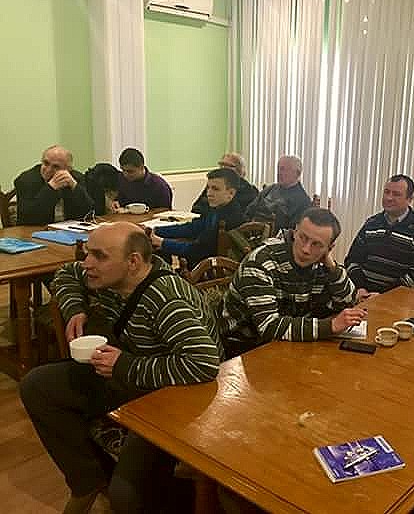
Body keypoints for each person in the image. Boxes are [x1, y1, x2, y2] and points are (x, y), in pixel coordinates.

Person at [19, 222, 222, 514]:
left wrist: (125, 365)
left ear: (133, 262)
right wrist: (76, 308)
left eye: (99, 256)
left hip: (175, 394)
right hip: (131, 374)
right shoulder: (110, 277)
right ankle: (89, 480)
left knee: (126, 497)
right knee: (37, 385)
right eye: (88, 253)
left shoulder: (167, 298)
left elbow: (203, 363)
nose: (87, 263)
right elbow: (66, 274)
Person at [221, 207, 364, 347]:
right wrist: (330, 326)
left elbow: (348, 302)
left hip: (289, 343)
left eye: (316, 244)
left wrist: (333, 268)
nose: (305, 249)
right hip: (244, 346)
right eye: (303, 237)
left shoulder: (322, 263)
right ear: (295, 231)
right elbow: (268, 327)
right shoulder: (260, 262)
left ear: (329, 248)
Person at [345, 174, 414, 298]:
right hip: (362, 294)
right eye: (386, 192)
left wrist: (383, 296)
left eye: (396, 194)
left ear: (410, 199)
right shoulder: (371, 223)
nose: (389, 198)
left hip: (396, 299)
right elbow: (352, 260)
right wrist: (360, 288)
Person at [150, 168, 247, 267]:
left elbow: (198, 250)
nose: (209, 193)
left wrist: (162, 243)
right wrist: (156, 230)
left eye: (215, 189)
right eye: (208, 188)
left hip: (210, 268)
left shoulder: (229, 218)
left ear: (231, 193)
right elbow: (192, 228)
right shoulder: (216, 208)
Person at [14, 144, 94, 225]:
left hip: (69, 228)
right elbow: (29, 217)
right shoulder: (25, 181)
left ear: (68, 170)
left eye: (56, 167)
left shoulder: (76, 178)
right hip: (35, 229)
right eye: (46, 163)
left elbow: (89, 212)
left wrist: (74, 186)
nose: (48, 170)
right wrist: (51, 188)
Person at [244, 155, 311, 230]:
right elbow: (249, 210)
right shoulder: (270, 189)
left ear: (297, 173)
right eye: (279, 169)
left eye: (283, 169)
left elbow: (292, 231)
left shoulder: (303, 201)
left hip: (273, 235)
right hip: (250, 229)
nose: (279, 173)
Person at [191, 152, 258, 217]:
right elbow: (196, 208)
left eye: (227, 166)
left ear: (240, 171)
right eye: (221, 165)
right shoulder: (214, 184)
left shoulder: (249, 191)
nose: (223, 168)